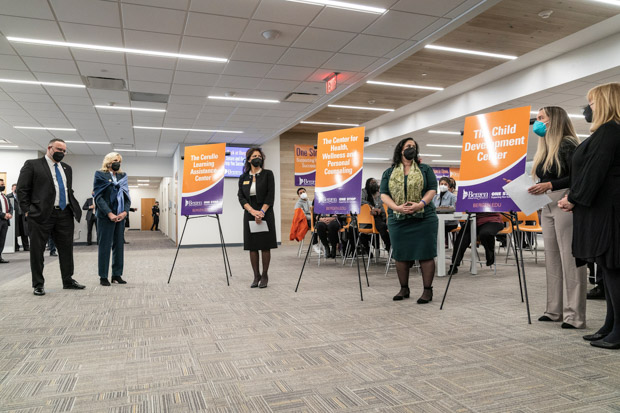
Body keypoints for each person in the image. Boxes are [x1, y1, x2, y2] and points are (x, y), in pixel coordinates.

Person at [559, 82, 620, 349]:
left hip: (609, 213)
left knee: (614, 271)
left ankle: (619, 332)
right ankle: (610, 325)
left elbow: (594, 172)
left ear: (605, 103)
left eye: (592, 103)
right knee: (608, 272)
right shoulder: (607, 132)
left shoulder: (609, 132)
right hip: (602, 210)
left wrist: (572, 199)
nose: (589, 108)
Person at [528, 106, 586, 329]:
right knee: (551, 259)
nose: (538, 122)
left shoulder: (569, 143)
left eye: (542, 118)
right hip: (546, 204)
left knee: (570, 260)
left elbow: (578, 177)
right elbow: (546, 177)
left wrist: (551, 184)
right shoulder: (545, 147)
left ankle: (575, 315)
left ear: (555, 119)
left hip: (565, 201)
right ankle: (554, 310)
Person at [16, 138, 85, 296]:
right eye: (59, 149)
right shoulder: (32, 165)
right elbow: (22, 190)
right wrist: (27, 210)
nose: (62, 153)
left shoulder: (67, 168)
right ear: (49, 148)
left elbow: (67, 189)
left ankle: (68, 280)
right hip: (40, 214)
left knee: (66, 249)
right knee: (38, 250)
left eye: (64, 151)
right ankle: (38, 284)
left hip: (64, 213)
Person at [380, 137, 438, 303]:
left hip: (424, 217)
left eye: (413, 146)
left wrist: (420, 204)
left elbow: (432, 189)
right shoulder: (389, 173)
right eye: (408, 146)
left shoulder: (425, 169)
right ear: (400, 150)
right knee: (401, 254)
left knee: (426, 253)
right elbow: (384, 194)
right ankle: (403, 288)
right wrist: (397, 208)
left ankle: (427, 291)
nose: (411, 148)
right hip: (398, 218)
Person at [238, 147, 277, 288]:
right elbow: (241, 197)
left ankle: (265, 275)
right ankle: (256, 276)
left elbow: (270, 195)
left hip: (266, 213)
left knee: (265, 246)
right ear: (249, 159)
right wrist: (252, 211)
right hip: (249, 214)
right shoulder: (243, 177)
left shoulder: (268, 174)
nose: (257, 158)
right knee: (252, 246)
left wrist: (261, 212)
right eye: (254, 156)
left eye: (259, 156)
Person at [94, 152, 131, 286]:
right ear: (108, 161)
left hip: (120, 216)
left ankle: (117, 274)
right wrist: (109, 213)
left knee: (118, 246)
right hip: (105, 216)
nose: (118, 163)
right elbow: (98, 197)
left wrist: (125, 212)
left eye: (120, 161)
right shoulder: (100, 174)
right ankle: (103, 276)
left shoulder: (123, 176)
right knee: (105, 246)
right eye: (115, 160)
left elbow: (127, 196)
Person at [361, 177, 391, 253]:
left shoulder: (380, 194)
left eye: (375, 182)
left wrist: (379, 210)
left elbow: (384, 206)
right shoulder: (363, 192)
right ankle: (388, 247)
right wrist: (372, 207)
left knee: (386, 226)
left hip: (379, 217)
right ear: (367, 184)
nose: (373, 184)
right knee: (382, 226)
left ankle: (390, 247)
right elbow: (361, 202)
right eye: (371, 182)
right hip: (367, 218)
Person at [432, 176, 458, 248]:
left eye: (445, 184)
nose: (443, 185)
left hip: (450, 223)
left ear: (449, 186)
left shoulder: (453, 197)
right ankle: (434, 249)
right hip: (438, 221)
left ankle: (440, 247)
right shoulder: (435, 197)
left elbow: (455, 208)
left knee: (437, 229)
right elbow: (432, 208)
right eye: (441, 184)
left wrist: (444, 208)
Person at [8, 183, 29, 251]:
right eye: (14, 188)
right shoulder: (9, 196)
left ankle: (26, 247)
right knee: (15, 232)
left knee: (24, 232)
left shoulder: (22, 196)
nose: (15, 189)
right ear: (12, 188)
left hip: (22, 216)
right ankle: (15, 247)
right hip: (14, 217)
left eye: (16, 188)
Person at [0, 179, 12, 264]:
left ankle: (0, 256)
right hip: (1, 218)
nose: (3, 186)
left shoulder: (5, 196)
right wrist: (3, 215)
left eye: (3, 184)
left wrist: (10, 214)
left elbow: (10, 207)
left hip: (5, 221)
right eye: (1, 184)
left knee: (2, 240)